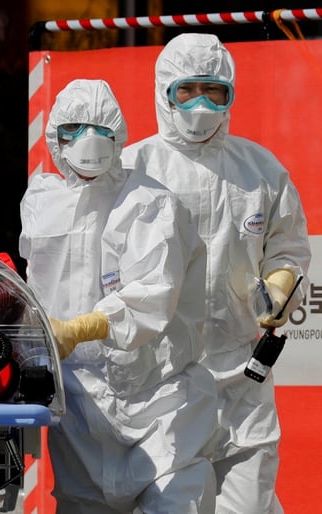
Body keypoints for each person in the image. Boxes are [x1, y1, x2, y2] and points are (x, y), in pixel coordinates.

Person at [120, 33, 311, 514]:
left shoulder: (260, 170)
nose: (201, 103)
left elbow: (287, 246)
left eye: (215, 90)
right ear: (164, 90)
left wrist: (283, 279)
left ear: (231, 94)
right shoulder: (132, 168)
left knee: (249, 505)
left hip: (242, 376)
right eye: (187, 90)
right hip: (162, 381)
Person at [19, 78, 217, 513]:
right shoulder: (41, 202)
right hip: (79, 409)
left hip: (159, 403)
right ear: (55, 136)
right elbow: (31, 285)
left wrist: (79, 327)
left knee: (175, 502)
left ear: (119, 135)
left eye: (101, 129)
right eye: (73, 129)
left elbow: (154, 295)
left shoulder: (150, 203)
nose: (88, 140)